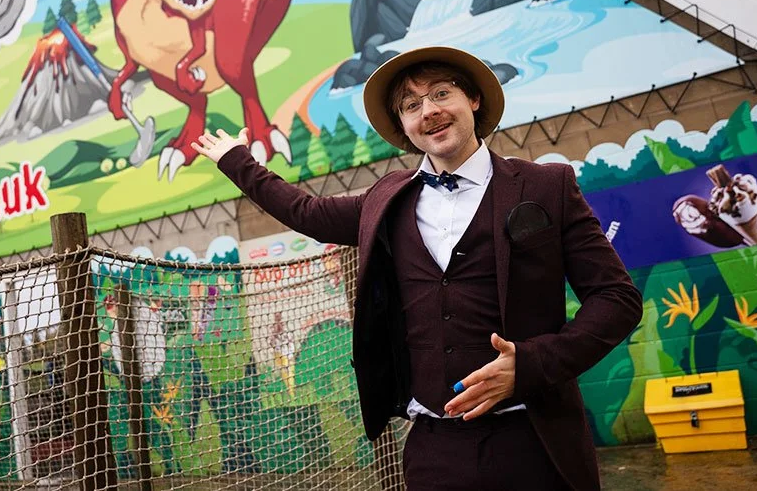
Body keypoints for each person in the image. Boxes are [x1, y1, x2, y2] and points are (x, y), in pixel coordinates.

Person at [192, 46, 643, 491]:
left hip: (534, 440)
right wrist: (238, 162)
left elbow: (617, 300)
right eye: (411, 105)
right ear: (405, 128)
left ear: (473, 99)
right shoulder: (384, 201)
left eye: (441, 94)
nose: (428, 111)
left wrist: (531, 365)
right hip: (433, 449)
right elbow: (306, 212)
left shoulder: (548, 186)